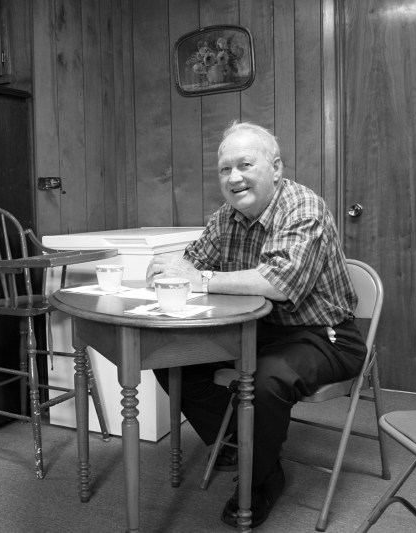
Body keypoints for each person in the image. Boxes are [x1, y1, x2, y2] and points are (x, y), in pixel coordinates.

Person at [146, 121, 366, 529]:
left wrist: (200, 279)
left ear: (276, 167)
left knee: (266, 381)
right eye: (225, 169)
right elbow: (192, 262)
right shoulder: (225, 218)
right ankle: (234, 443)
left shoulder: (304, 208)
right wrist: (170, 268)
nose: (234, 177)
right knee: (170, 359)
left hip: (323, 334)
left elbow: (277, 284)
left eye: (245, 164)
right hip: (256, 330)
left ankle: (263, 477)